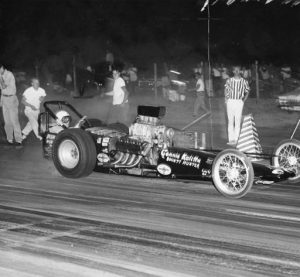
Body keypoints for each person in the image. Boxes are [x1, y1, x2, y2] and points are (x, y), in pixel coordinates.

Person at [224, 66, 250, 145]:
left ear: (240, 71)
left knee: (237, 121)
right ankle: (231, 139)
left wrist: (243, 101)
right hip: (230, 101)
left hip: (239, 101)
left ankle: (236, 139)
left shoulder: (244, 81)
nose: (236, 71)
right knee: (230, 121)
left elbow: (247, 91)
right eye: (235, 70)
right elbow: (226, 89)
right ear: (233, 71)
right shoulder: (229, 80)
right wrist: (226, 99)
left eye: (238, 70)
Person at [0, 63, 23, 145]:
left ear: (2, 68)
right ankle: (9, 138)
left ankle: (18, 139)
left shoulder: (9, 74)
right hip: (4, 99)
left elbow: (3, 86)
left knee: (14, 120)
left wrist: (0, 78)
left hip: (11, 98)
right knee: (7, 121)